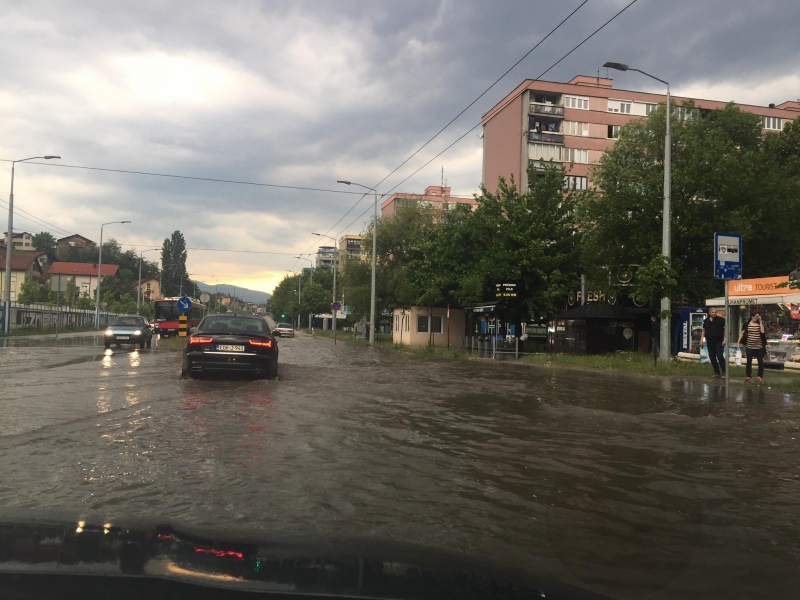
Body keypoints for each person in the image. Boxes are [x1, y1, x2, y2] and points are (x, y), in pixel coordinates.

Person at [737, 311, 767, 382]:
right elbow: (742, 333)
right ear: (752, 316)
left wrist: (760, 321)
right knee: (749, 361)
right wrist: (738, 342)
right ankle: (748, 376)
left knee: (760, 361)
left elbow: (762, 332)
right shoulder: (746, 324)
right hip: (749, 346)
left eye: (758, 316)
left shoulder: (760, 324)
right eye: (756, 316)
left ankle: (759, 376)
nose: (757, 318)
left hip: (759, 346)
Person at [700, 308, 726, 377]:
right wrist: (702, 340)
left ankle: (724, 371)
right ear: (709, 313)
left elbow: (725, 330)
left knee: (720, 355)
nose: (714, 313)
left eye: (715, 312)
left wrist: (725, 339)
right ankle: (716, 372)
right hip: (710, 341)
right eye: (712, 312)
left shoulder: (721, 320)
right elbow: (703, 330)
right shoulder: (706, 321)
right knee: (712, 356)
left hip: (719, 341)